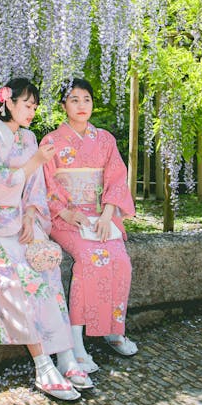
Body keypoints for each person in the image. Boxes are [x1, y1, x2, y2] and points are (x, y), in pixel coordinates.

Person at [0, 77, 93, 401]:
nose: (31, 111)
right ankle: (42, 364)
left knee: (46, 269)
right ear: (8, 103)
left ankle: (66, 356)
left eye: (34, 106)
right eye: (26, 104)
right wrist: (34, 163)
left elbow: (34, 189)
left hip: (22, 222)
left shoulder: (29, 138)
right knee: (20, 275)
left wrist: (32, 214)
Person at [41, 78, 137, 374]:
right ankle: (75, 340)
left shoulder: (105, 139)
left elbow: (116, 179)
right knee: (89, 260)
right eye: (74, 100)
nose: (82, 106)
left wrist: (109, 214)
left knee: (121, 261)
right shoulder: (51, 142)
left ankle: (113, 329)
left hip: (101, 214)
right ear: (63, 106)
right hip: (67, 217)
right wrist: (67, 213)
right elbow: (45, 185)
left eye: (86, 99)